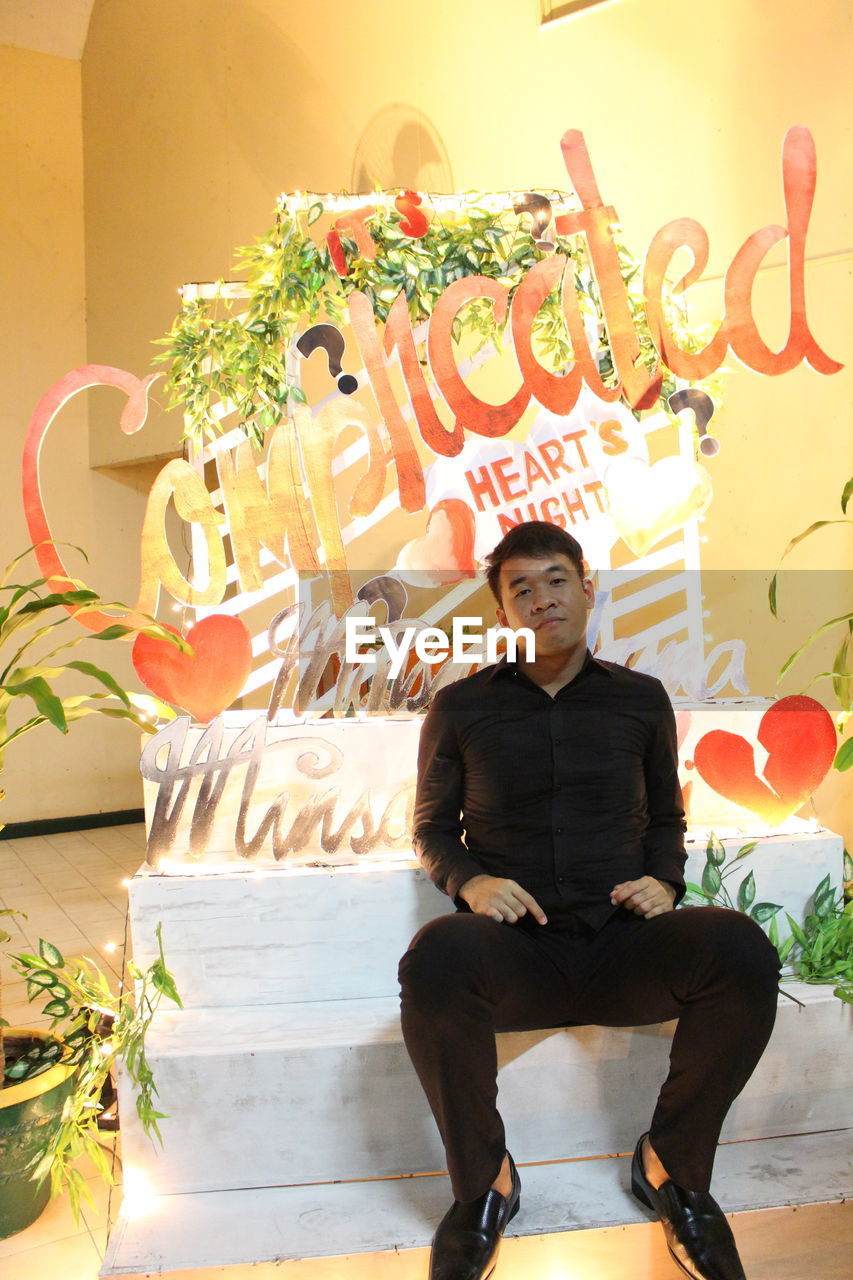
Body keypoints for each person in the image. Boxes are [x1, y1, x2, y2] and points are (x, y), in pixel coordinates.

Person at [398, 520, 781, 1280]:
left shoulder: (639, 700)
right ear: (502, 611)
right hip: (517, 953)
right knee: (435, 958)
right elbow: (432, 828)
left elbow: (667, 819)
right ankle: (482, 1189)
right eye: (521, 590)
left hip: (621, 944)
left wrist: (664, 879)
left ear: (585, 588)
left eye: (555, 580)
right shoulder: (461, 706)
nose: (542, 599)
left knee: (739, 949)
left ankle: (673, 1170)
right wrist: (469, 882)